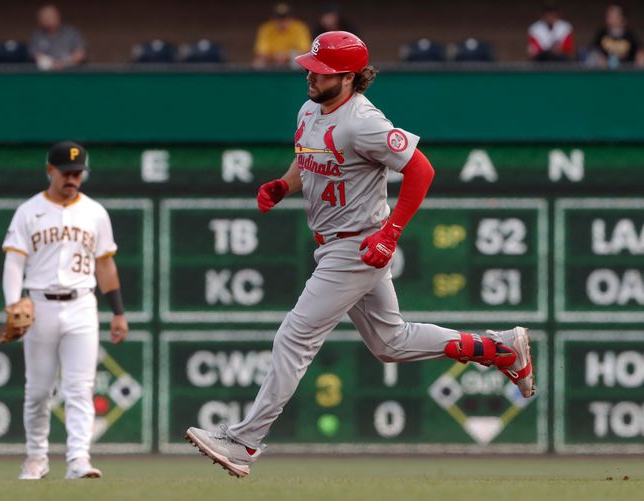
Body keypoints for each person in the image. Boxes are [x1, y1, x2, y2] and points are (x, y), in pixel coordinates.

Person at [185, 31, 535, 478]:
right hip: (337, 243)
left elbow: (421, 169)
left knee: (294, 337)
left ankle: (245, 441)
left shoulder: (362, 121)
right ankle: (500, 348)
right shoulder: (310, 109)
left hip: (357, 244)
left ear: (349, 77)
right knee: (392, 342)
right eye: (311, 67)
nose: (311, 76)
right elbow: (306, 159)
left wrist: (391, 233)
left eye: (323, 72)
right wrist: (283, 185)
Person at [1, 141, 128, 480]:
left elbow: (105, 265)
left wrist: (118, 311)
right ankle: (35, 457)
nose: (73, 178)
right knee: (39, 390)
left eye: (78, 173)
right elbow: (14, 261)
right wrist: (13, 302)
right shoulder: (29, 211)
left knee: (79, 388)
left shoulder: (95, 212)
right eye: (66, 173)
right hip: (39, 305)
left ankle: (78, 460)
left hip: (82, 304)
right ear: (50, 171)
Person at [253, 3, 311, 69]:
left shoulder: (299, 27)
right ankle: (264, 79)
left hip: (293, 61)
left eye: (285, 18)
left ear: (291, 17)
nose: (282, 21)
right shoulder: (266, 28)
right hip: (272, 61)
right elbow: (261, 53)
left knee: (298, 58)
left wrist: (286, 56)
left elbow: (305, 51)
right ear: (273, 18)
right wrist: (275, 57)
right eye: (279, 18)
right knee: (258, 62)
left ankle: (297, 79)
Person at [30, 4, 86, 71]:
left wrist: (64, 62)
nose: (50, 22)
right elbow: (36, 55)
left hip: (71, 72)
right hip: (47, 73)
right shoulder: (38, 35)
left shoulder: (70, 32)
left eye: (52, 18)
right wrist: (51, 63)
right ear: (41, 21)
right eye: (46, 19)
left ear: (58, 17)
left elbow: (80, 53)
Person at [589, 3, 644, 68]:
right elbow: (593, 50)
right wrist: (599, 57)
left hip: (626, 71)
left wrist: (640, 56)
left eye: (614, 15)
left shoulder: (630, 35)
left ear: (623, 19)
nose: (609, 17)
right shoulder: (602, 33)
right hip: (605, 72)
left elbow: (639, 51)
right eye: (609, 15)